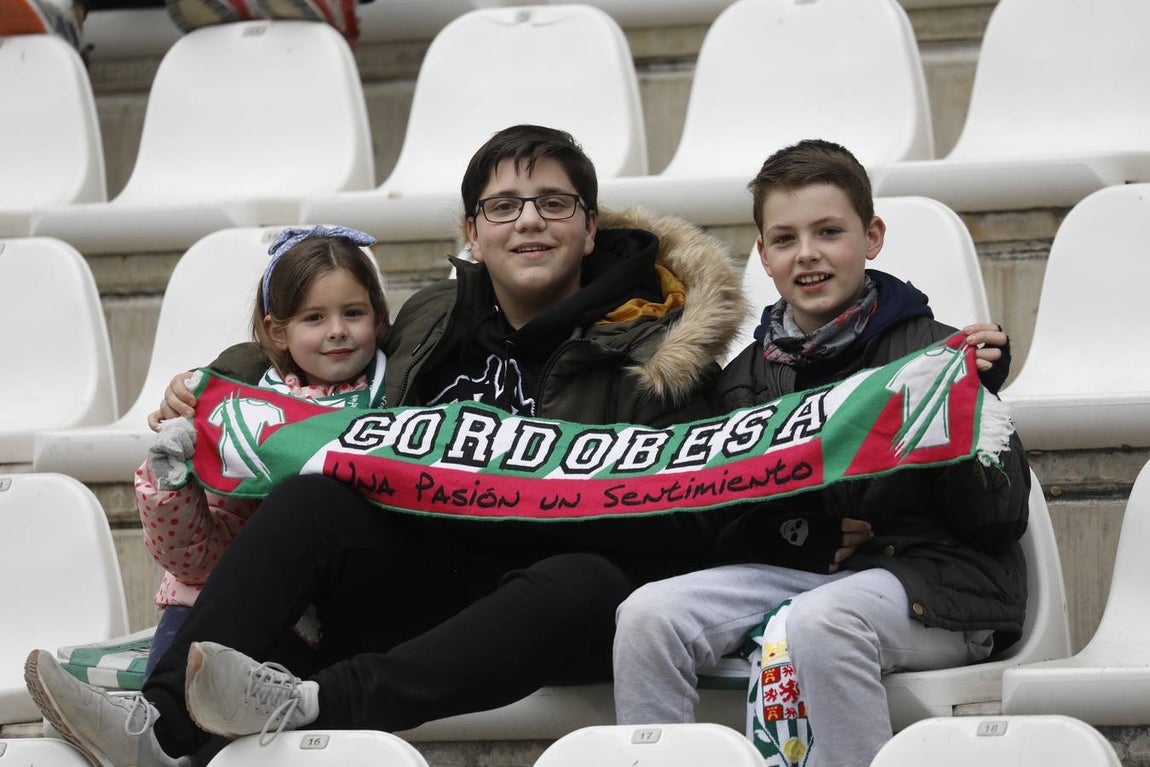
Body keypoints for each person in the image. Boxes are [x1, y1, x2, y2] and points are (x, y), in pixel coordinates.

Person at [24, 124, 748, 767]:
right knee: (315, 500)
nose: (529, 221)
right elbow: (326, 368)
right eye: (504, 206)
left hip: (548, 608)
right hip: (425, 576)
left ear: (590, 228)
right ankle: (155, 726)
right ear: (474, 231)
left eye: (553, 203)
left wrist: (553, 493)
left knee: (583, 579)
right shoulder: (439, 316)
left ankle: (311, 702)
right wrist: (214, 383)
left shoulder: (662, 349)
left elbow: (698, 513)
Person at [611, 139, 1030, 767]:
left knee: (819, 620)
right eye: (784, 239)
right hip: (812, 579)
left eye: (829, 231)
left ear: (872, 237)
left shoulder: (940, 355)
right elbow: (719, 527)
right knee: (646, 615)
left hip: (938, 583)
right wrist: (790, 533)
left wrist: (969, 414)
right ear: (763, 255)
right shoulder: (744, 380)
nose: (806, 254)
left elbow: (999, 521)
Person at [136, 225, 389, 678]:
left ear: (380, 318)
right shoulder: (236, 414)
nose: (337, 331)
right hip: (205, 606)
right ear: (276, 332)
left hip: (324, 624)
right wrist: (171, 482)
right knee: (176, 705)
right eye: (314, 318)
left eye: (353, 312)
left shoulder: (398, 401)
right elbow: (191, 559)